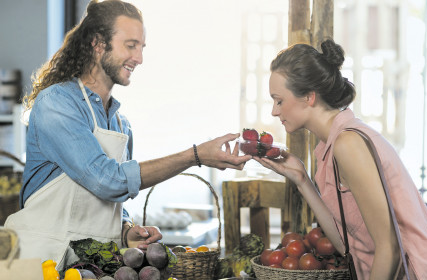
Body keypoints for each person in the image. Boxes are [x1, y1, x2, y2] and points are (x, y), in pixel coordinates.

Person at [4, 0, 251, 270]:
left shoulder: (122, 124)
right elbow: (106, 180)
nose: (139, 58)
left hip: (94, 267)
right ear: (98, 43)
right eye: (131, 45)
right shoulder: (57, 103)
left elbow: (113, 203)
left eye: (142, 48)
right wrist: (194, 156)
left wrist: (125, 231)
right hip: (39, 262)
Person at [255, 39, 427, 279]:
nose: (274, 111)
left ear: (308, 97)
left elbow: (390, 249)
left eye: (279, 100)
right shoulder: (331, 145)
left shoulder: (348, 143)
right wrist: (301, 178)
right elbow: (347, 245)